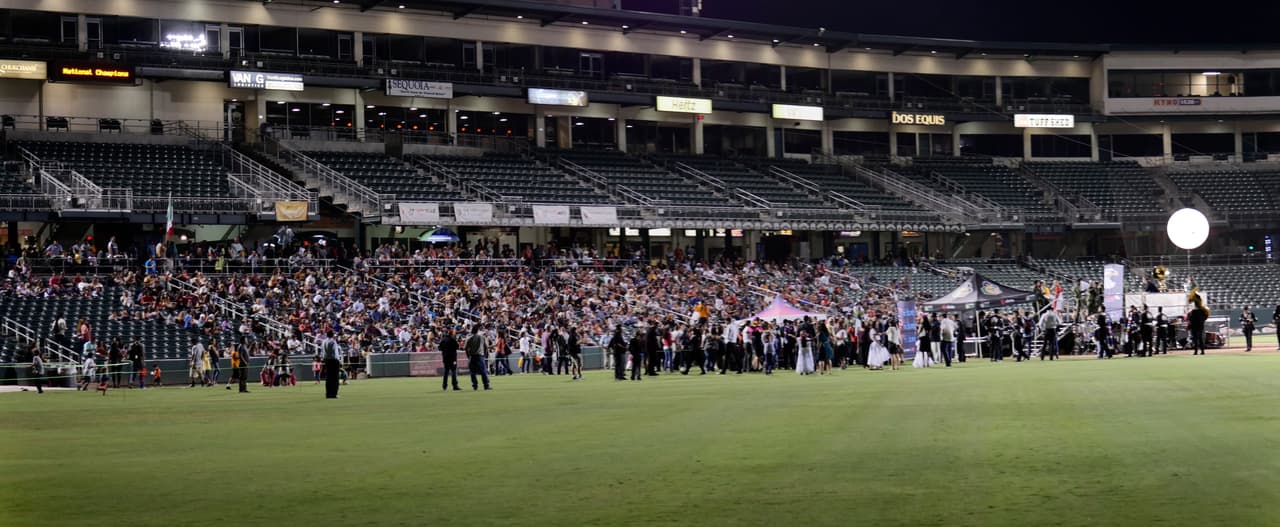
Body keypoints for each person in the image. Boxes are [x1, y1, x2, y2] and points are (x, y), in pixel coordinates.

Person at [465, 325, 492, 391]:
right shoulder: (482, 337)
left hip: (472, 356)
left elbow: (466, 348)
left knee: (473, 372)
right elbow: (486, 347)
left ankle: (475, 386)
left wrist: (468, 356)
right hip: (480, 356)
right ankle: (486, 385)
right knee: (483, 371)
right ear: (477, 330)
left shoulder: (469, 338)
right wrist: (485, 355)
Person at [321, 330, 342, 398]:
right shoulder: (333, 341)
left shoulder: (324, 341)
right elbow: (334, 352)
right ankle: (334, 394)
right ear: (332, 335)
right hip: (333, 360)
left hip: (327, 360)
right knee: (335, 378)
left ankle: (328, 393)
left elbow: (323, 352)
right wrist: (339, 360)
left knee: (328, 378)